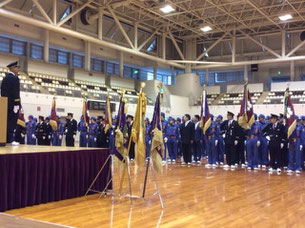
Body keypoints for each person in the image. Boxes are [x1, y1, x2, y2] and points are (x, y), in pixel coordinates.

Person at [0, 61, 21, 145]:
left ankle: (5, 139)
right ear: (12, 68)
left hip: (5, 104)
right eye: (17, 67)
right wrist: (16, 104)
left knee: (5, 122)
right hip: (13, 104)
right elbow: (16, 92)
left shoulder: (5, 79)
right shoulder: (15, 78)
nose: (18, 69)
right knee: (11, 123)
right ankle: (10, 139)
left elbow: (2, 92)